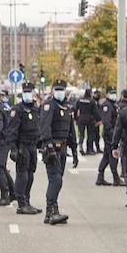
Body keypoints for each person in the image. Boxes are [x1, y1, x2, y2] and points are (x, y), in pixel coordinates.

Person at [38, 78, 76, 225]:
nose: (59, 92)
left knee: (57, 179)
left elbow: (70, 130)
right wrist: (48, 145)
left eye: (62, 89)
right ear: (53, 91)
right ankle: (51, 211)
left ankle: (52, 212)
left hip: (63, 148)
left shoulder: (67, 107)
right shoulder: (49, 105)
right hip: (52, 148)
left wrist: (74, 150)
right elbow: (44, 126)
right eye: (57, 89)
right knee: (56, 180)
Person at [2, 82, 42, 214]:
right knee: (22, 175)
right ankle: (21, 203)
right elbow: (11, 131)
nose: (27, 95)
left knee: (30, 174)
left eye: (29, 92)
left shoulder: (36, 109)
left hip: (33, 146)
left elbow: (38, 128)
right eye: (25, 92)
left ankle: (27, 201)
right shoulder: (17, 110)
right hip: (22, 146)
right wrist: (13, 148)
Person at [95, 88, 121, 187]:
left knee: (106, 156)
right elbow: (106, 121)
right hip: (109, 134)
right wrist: (112, 134)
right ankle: (116, 178)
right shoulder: (107, 105)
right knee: (113, 156)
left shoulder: (113, 104)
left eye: (115, 93)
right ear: (107, 94)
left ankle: (100, 177)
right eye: (112, 93)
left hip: (111, 133)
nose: (114, 95)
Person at [75, 88, 99, 155]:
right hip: (90, 119)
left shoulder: (80, 100)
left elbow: (76, 109)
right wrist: (98, 119)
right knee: (90, 135)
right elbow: (95, 112)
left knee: (81, 134)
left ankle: (80, 146)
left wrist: (76, 119)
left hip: (81, 118)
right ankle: (89, 149)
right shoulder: (92, 101)